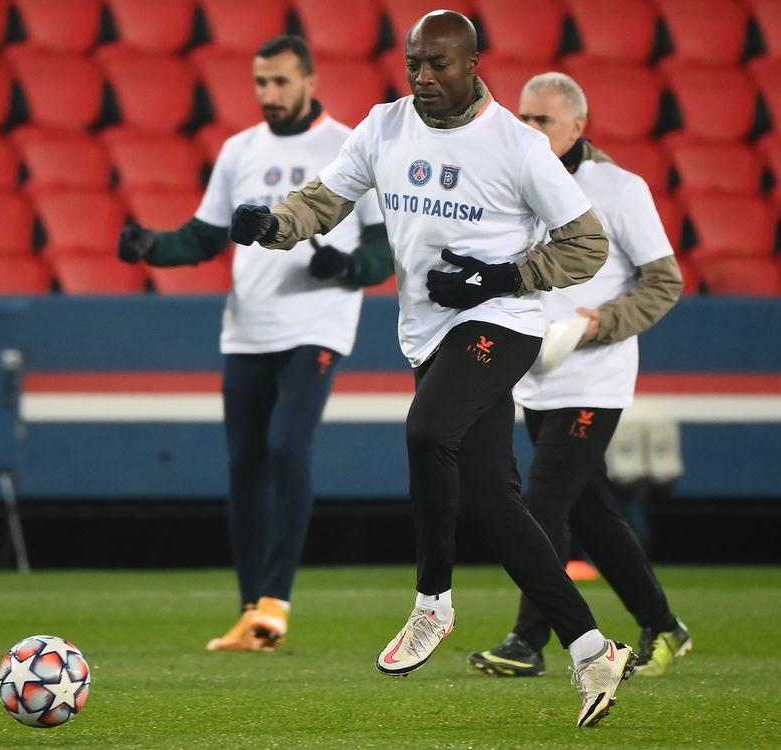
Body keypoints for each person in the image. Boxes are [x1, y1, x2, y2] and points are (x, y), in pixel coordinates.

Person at [227, 11, 637, 729]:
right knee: (494, 502)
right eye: (414, 62)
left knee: (425, 433)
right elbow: (327, 197)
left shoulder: (517, 144)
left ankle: (432, 603)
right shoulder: (385, 126)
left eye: (439, 64)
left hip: (501, 322)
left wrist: (497, 279)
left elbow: (586, 246)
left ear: (474, 64)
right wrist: (273, 226)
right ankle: (593, 649)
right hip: (427, 336)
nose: (423, 76)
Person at [117, 35, 393, 653]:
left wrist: (342, 270)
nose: (269, 94)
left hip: (316, 323)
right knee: (245, 465)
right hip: (247, 326)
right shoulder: (240, 149)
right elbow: (204, 237)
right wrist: (151, 248)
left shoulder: (349, 148)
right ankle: (252, 613)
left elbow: (383, 251)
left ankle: (275, 603)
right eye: (260, 83)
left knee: (286, 448)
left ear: (311, 80)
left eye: (281, 82)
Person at [467, 72, 690, 679]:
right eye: (525, 118)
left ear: (578, 127)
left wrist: (606, 323)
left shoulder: (619, 189)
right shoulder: (515, 184)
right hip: (538, 376)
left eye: (543, 120)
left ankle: (528, 641)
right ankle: (664, 625)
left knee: (541, 503)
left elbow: (665, 280)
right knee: (592, 513)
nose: (531, 130)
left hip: (595, 378)